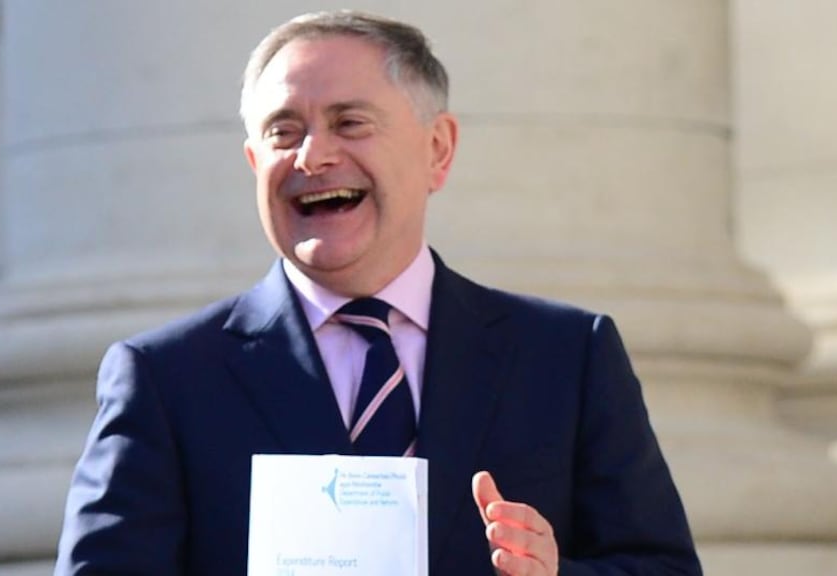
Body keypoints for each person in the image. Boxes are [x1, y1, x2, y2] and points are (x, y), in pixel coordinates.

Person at [55, 10, 701, 576]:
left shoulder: (566, 359)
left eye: (349, 123)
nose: (312, 156)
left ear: (437, 150)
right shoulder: (167, 382)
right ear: (254, 163)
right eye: (284, 131)